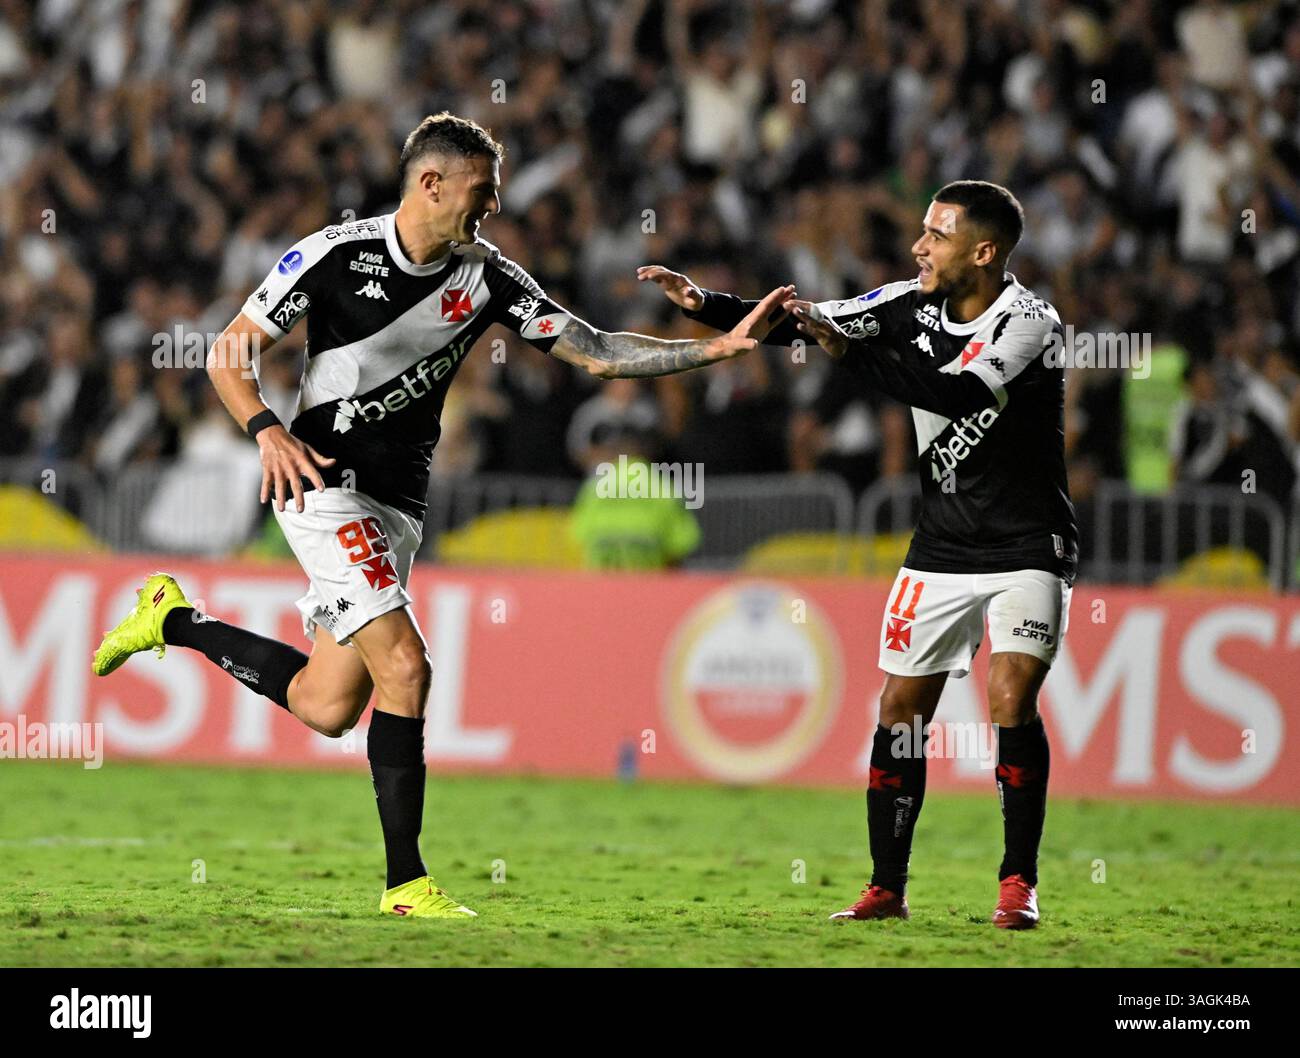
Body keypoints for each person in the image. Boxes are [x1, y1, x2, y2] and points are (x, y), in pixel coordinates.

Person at [92, 112, 791, 919]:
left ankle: (172, 619)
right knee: (407, 666)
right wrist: (267, 431)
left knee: (326, 705)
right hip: (323, 483)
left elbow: (596, 351)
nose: (491, 208)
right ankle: (406, 884)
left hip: (399, 505)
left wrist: (713, 349)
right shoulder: (335, 255)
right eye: (482, 192)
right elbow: (228, 352)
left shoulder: (488, 277)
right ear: (431, 183)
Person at [639, 180, 1077, 929]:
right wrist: (704, 304)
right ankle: (886, 888)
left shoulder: (1030, 321)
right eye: (922, 231)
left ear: (984, 252)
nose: (918, 246)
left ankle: (1017, 883)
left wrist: (849, 356)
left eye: (936, 235)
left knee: (1009, 698)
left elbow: (955, 394)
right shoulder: (907, 302)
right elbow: (807, 321)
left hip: (1028, 542)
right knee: (899, 709)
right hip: (940, 546)